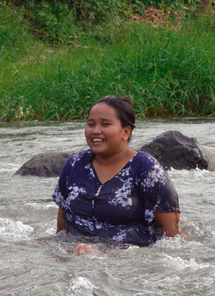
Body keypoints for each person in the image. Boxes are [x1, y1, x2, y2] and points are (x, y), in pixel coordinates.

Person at [54, 96, 180, 250]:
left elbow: (172, 236)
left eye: (105, 124)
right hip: (77, 251)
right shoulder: (74, 165)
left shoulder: (148, 170)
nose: (95, 131)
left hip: (125, 257)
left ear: (126, 132)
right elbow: (61, 228)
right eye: (91, 124)